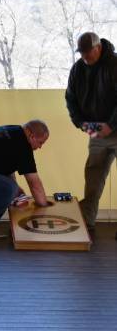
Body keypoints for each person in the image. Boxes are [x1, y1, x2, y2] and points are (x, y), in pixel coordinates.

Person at [65, 32, 117, 234]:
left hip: (114, 127)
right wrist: (81, 123)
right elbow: (70, 98)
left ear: (98, 47)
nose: (85, 57)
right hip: (96, 133)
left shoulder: (114, 64)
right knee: (93, 177)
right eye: (82, 53)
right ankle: (88, 222)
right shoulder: (78, 69)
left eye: (88, 53)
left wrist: (111, 125)